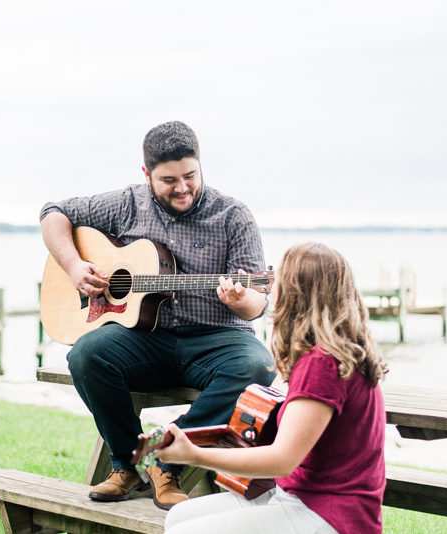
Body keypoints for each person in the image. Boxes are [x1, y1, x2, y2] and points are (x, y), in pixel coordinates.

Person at [39, 121, 276, 509]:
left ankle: (163, 459)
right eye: (169, 180)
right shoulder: (126, 203)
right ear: (147, 174)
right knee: (86, 354)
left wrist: (240, 300)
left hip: (217, 337)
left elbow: (258, 301)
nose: (183, 188)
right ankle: (127, 465)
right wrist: (74, 266)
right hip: (147, 338)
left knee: (257, 368)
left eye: (190, 176)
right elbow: (53, 212)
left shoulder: (234, 216)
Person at [158, 242, 389, 534]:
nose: (269, 286)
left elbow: (282, 460)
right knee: (178, 518)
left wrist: (193, 454)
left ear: (296, 294)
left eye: (276, 278)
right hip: (293, 495)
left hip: (329, 513)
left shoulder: (323, 364)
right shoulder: (329, 351)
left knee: (185, 532)